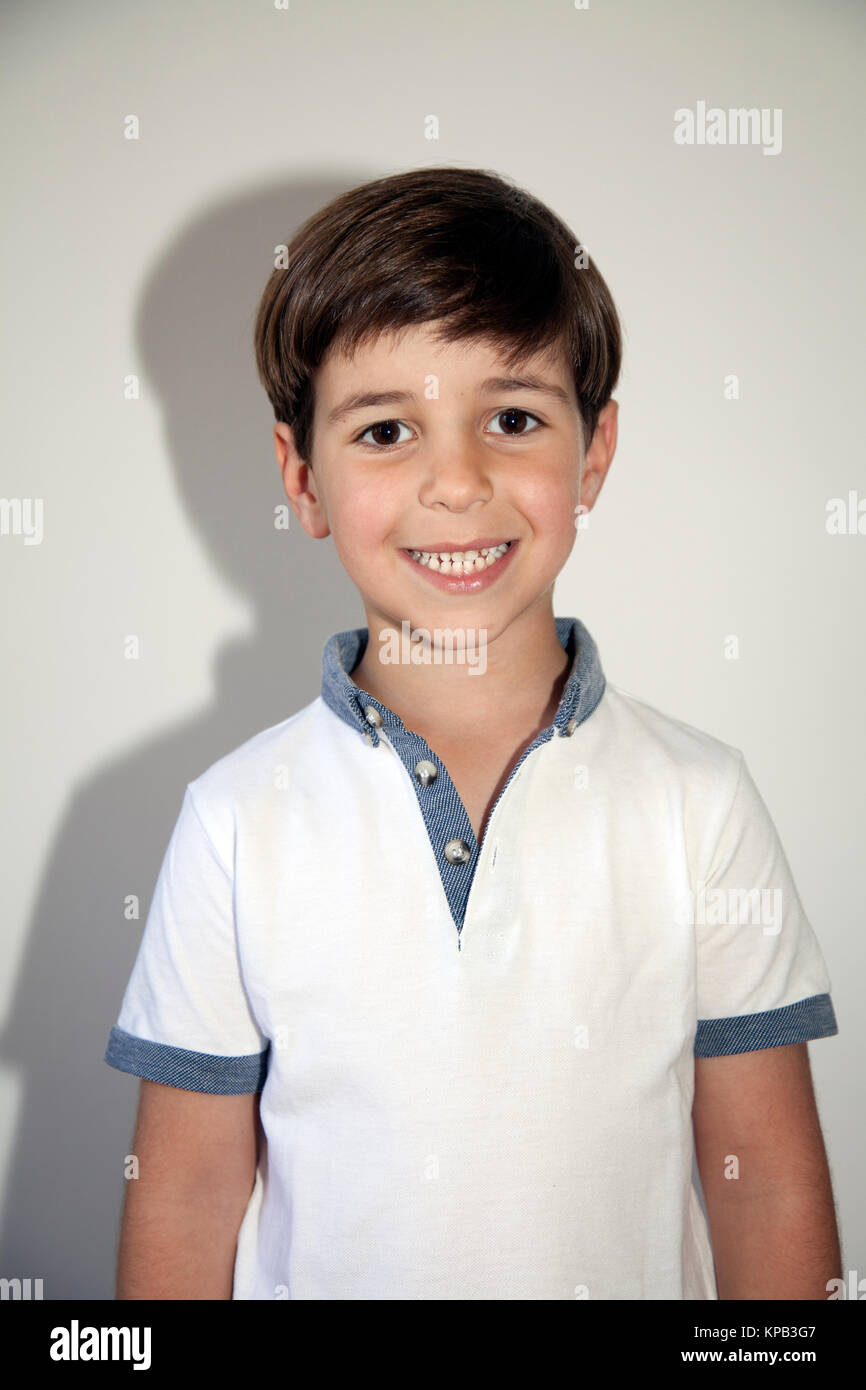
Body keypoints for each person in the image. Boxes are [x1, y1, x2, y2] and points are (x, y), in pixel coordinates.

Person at [105, 166, 841, 1300]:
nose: (456, 481)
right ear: (301, 478)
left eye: (510, 418)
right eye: (387, 429)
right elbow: (186, 1189)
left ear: (591, 454)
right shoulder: (235, 820)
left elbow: (765, 1185)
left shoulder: (699, 801)